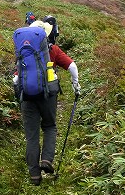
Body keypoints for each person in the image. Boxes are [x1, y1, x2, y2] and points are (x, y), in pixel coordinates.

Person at [13, 15, 80, 185]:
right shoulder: (54, 50)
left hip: (27, 97)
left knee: (31, 136)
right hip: (48, 96)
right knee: (50, 126)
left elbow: (15, 78)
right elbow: (72, 66)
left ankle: (35, 176)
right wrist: (75, 85)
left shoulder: (24, 52)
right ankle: (47, 160)